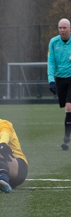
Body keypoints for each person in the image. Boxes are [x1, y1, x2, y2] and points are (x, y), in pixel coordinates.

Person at [46, 18, 71, 150]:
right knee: (67, 109)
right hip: (60, 79)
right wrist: (51, 80)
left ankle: (66, 139)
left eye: (64, 28)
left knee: (69, 107)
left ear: (70, 29)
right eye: (60, 28)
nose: (62, 30)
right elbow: (51, 63)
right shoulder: (53, 42)